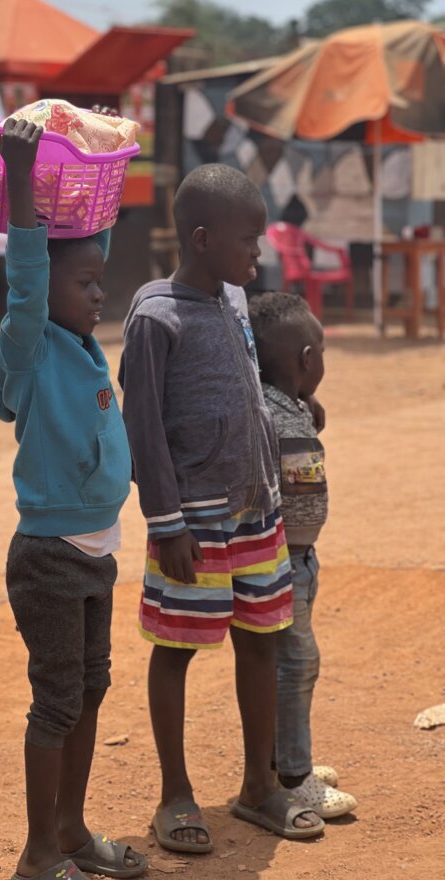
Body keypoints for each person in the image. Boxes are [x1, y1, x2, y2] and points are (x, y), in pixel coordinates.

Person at [119, 163, 325, 853]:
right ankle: (175, 793)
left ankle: (258, 787)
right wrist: (165, 521)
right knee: (176, 649)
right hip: (194, 524)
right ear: (202, 239)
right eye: (247, 240)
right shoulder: (156, 315)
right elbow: (143, 425)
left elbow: (246, 394)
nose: (257, 253)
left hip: (255, 512)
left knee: (262, 639)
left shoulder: (236, 302)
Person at [0, 117, 147, 880]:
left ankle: (72, 830)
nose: (99, 294)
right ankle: (39, 853)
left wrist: (86, 197)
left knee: (91, 689)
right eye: (86, 284)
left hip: (97, 555)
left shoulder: (80, 346)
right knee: (56, 702)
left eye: (100, 281)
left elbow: (78, 257)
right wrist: (20, 181)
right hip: (48, 559)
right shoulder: (33, 341)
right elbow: (26, 279)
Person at [248, 291, 358, 819]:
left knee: (287, 663)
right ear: (308, 360)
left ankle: (281, 761)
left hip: (298, 559)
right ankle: (293, 775)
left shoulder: (285, 406)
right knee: (296, 663)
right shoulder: (269, 413)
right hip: (280, 561)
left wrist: (306, 406)